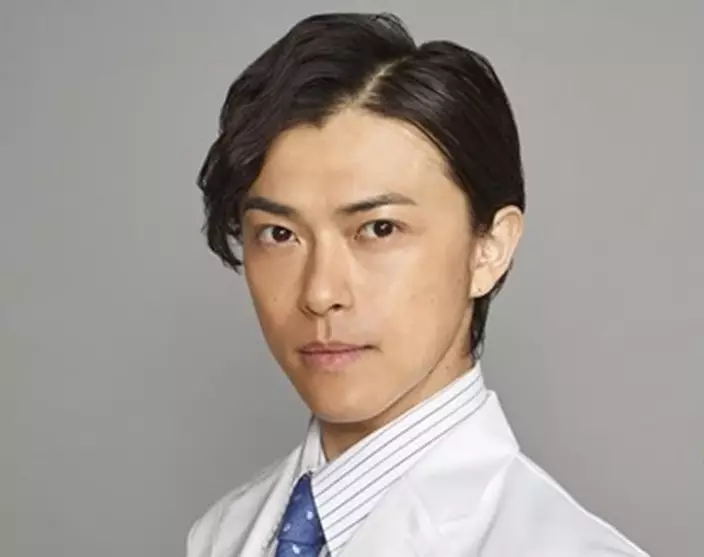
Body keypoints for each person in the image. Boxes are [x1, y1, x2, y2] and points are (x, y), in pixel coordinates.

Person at [188, 12, 647, 557]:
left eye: (379, 229)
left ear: (490, 248)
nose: (320, 293)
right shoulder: (223, 533)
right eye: (280, 234)